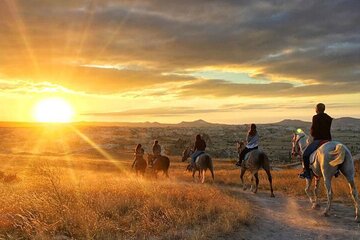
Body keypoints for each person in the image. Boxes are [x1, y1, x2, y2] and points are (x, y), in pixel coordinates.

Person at [299, 103, 333, 179]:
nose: (315, 109)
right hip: (328, 140)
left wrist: (312, 134)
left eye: (315, 108)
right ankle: (336, 170)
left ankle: (307, 173)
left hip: (318, 140)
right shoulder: (329, 118)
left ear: (317, 109)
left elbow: (313, 131)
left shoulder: (315, 117)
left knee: (305, 155)